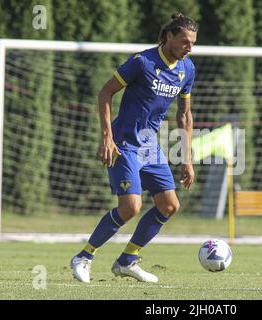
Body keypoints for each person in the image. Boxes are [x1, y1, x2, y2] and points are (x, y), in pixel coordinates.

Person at [70, 12, 198, 283]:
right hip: (124, 143)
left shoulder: (188, 69)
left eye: (193, 43)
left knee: (169, 205)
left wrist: (187, 158)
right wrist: (107, 136)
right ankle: (84, 256)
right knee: (130, 207)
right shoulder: (143, 62)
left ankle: (127, 260)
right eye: (185, 41)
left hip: (150, 146)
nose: (189, 48)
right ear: (169, 37)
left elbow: (184, 115)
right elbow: (105, 92)